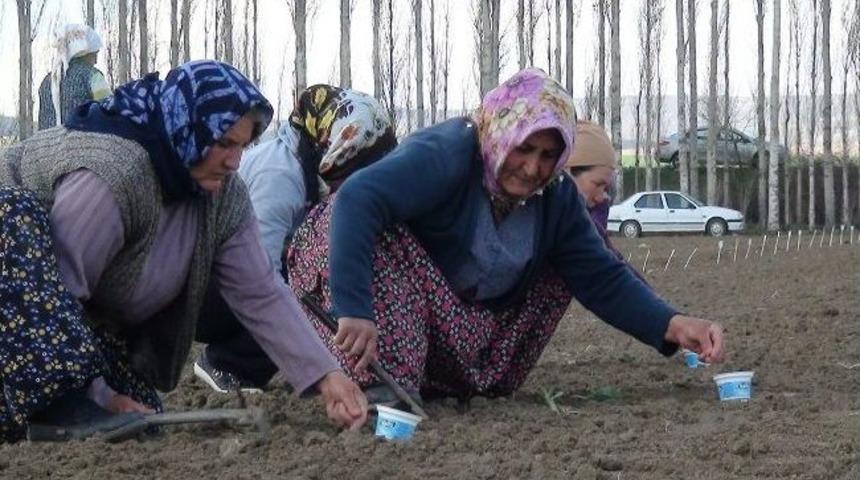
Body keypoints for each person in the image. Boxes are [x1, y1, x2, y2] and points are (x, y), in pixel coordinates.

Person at [287, 69, 725, 402]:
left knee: (561, 267)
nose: (533, 168)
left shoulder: (555, 196)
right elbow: (358, 199)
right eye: (524, 148)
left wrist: (671, 324)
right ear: (501, 133)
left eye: (549, 155)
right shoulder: (450, 152)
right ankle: (377, 384)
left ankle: (451, 380)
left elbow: (600, 274)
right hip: (367, 292)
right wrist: (354, 307)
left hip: (452, 316)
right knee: (365, 228)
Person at [0, 60, 366, 443]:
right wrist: (100, 397)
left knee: (145, 421)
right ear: (186, 128)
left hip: (71, 338)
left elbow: (260, 291)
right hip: (20, 323)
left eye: (242, 145)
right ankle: (57, 408)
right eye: (223, 143)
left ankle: (43, 408)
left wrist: (328, 376)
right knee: (10, 214)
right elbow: (56, 297)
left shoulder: (223, 195)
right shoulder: (113, 174)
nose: (234, 161)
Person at [194, 84, 398, 393]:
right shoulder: (279, 176)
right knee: (300, 293)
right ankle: (226, 363)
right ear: (333, 149)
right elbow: (256, 276)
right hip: (203, 291)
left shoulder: (310, 169)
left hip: (233, 276)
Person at [565, 120, 634, 265]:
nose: (601, 198)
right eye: (598, 185)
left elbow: (615, 267)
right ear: (567, 172)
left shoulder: (587, 220)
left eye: (606, 189)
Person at [38, 24, 111, 130]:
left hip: (47, 144)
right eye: (94, 54)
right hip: (83, 144)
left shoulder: (48, 81)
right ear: (83, 52)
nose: (96, 60)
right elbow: (110, 113)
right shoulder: (92, 76)